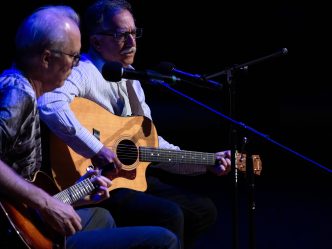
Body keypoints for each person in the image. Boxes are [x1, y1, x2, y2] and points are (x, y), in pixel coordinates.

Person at [38, 0, 231, 248]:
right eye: (121, 35)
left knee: (203, 210)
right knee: (169, 213)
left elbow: (152, 145)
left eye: (133, 33)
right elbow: (49, 103)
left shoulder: (131, 78)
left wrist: (207, 163)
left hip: (129, 178)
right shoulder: (83, 71)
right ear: (96, 42)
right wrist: (96, 150)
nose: (131, 42)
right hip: (94, 182)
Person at [0, 5, 180, 249]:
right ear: (46, 58)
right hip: (13, 228)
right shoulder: (17, 93)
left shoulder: (25, 92)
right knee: (163, 239)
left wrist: (79, 193)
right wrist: (45, 203)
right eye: (73, 56)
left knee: (102, 217)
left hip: (28, 217)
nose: (76, 65)